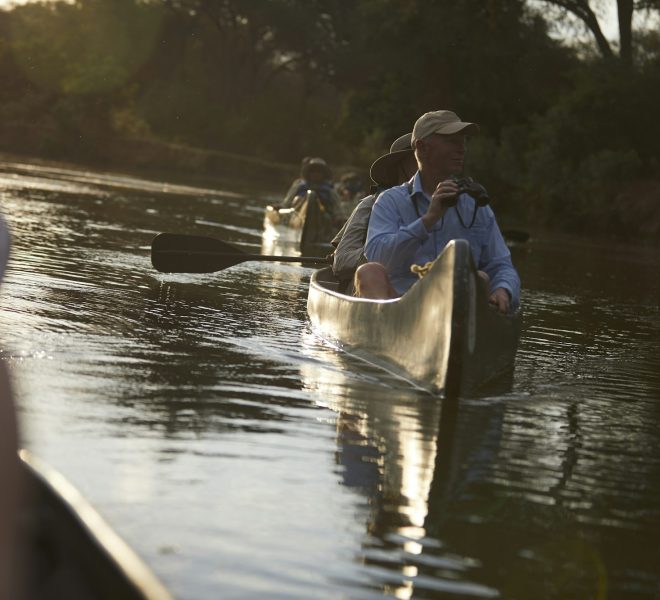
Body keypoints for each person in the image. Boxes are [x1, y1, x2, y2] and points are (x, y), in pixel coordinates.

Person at [357, 110, 520, 313]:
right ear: (422, 148)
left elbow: (501, 264)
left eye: (463, 142)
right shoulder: (390, 201)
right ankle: (380, 335)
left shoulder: (477, 205)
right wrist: (429, 219)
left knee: (481, 278)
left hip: (454, 310)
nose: (462, 149)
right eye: (452, 141)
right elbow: (378, 258)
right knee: (369, 271)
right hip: (397, 311)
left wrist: (504, 290)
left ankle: (459, 338)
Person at [330, 132, 417, 290]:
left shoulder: (444, 204)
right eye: (417, 160)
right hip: (374, 287)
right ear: (400, 166)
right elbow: (341, 261)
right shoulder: (372, 203)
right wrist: (384, 251)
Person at [282, 156, 341, 224]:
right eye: (313, 171)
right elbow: (286, 203)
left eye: (319, 172)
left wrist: (339, 218)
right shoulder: (298, 186)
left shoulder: (330, 190)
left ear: (324, 174)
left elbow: (338, 209)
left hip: (322, 219)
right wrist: (281, 207)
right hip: (297, 216)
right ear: (309, 173)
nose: (316, 174)